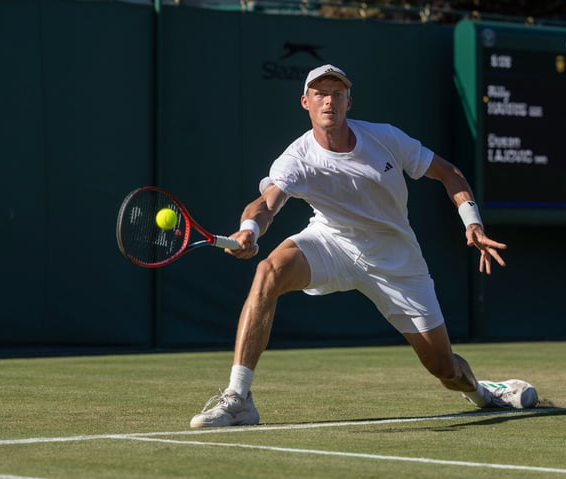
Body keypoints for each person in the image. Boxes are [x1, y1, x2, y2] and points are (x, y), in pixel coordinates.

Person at [190, 64, 538, 428]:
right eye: (320, 94)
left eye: (337, 94)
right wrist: (249, 230)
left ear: (348, 102)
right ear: (305, 102)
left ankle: (483, 392)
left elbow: (449, 173)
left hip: (396, 261)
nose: (329, 101)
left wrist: (472, 222)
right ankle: (239, 397)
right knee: (268, 271)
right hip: (332, 242)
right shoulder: (295, 158)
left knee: (444, 368)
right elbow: (266, 204)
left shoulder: (385, 138)